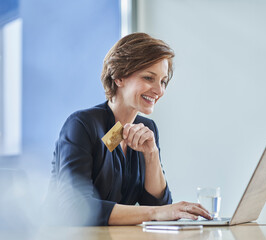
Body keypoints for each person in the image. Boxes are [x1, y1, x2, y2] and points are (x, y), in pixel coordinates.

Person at [47, 33, 212, 226]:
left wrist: (152, 154)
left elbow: (157, 204)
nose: (159, 91)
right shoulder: (82, 125)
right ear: (119, 77)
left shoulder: (146, 129)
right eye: (149, 78)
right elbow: (76, 208)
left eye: (163, 81)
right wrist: (156, 212)